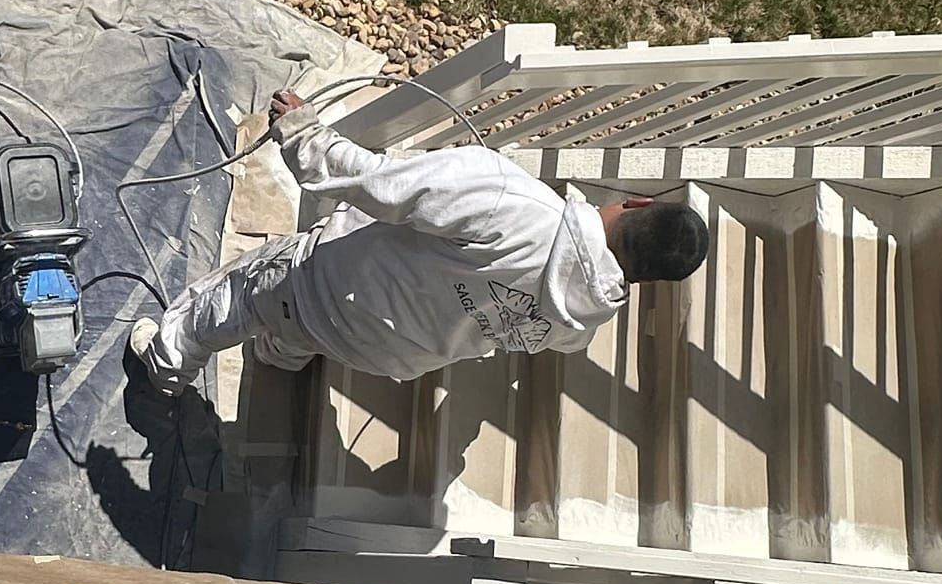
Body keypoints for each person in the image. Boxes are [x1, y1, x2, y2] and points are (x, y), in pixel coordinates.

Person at [128, 86, 708, 397]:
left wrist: (304, 136)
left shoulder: (512, 201)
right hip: (391, 355)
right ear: (645, 278)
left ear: (637, 204)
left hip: (326, 290)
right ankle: (281, 354)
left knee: (239, 294)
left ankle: (168, 364)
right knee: (297, 330)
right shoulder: (585, 321)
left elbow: (383, 187)